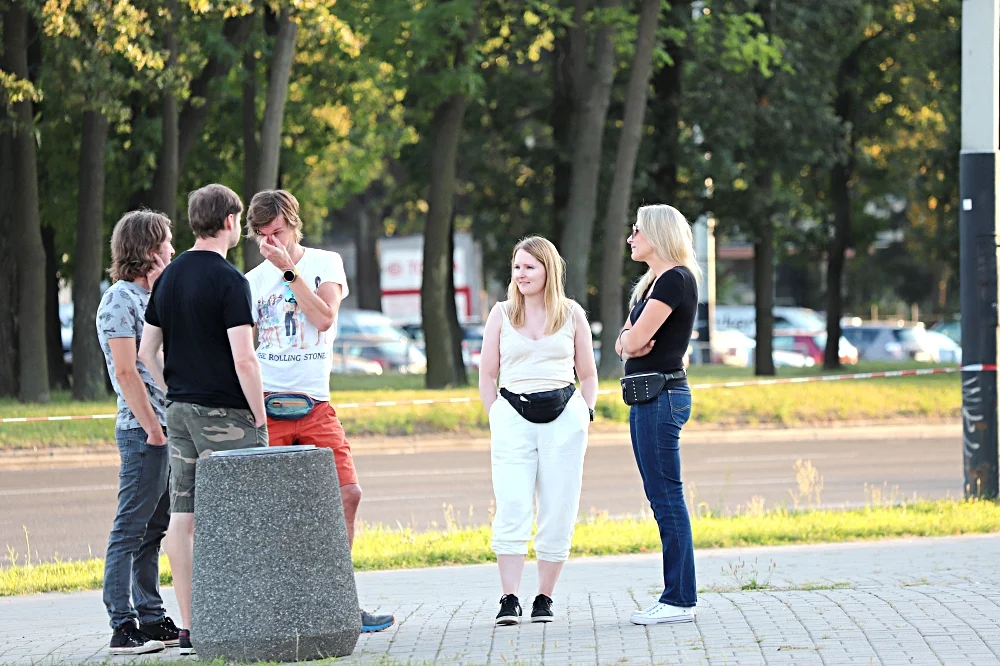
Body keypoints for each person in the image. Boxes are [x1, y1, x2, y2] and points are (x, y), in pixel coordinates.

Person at [244, 189, 395, 633]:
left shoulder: (323, 263)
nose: (272, 243)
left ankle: (338, 602)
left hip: (315, 404)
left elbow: (324, 318)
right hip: (269, 403)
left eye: (279, 233)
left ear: (294, 225)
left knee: (348, 493)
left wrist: (288, 271)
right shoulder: (251, 281)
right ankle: (273, 608)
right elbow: (245, 344)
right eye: (263, 237)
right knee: (269, 511)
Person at [139, 183, 268, 655]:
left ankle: (192, 627)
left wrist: (171, 388)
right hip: (227, 413)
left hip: (180, 411)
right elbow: (245, 359)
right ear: (231, 222)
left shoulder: (168, 276)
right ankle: (248, 615)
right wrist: (259, 415)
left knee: (183, 516)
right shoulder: (232, 280)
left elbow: (146, 351)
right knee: (248, 513)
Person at [478, 235, 598, 626]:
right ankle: (509, 597)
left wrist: (587, 412)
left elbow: (589, 373)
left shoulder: (572, 314)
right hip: (513, 413)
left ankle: (544, 598)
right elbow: (488, 372)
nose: (521, 274)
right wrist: (495, 413)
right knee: (512, 505)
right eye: (517, 267)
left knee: (558, 507)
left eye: (530, 267)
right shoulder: (501, 313)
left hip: (564, 417)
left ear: (549, 270)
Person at [96, 210, 177, 655]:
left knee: (154, 529)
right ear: (149, 250)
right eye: (166, 242)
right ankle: (122, 624)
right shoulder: (119, 301)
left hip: (166, 427)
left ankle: (151, 615)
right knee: (130, 527)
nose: (172, 248)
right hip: (143, 432)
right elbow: (127, 371)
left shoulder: (154, 296)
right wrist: (153, 428)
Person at [614, 204, 700, 626]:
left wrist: (630, 340)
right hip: (648, 396)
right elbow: (624, 343)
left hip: (661, 396)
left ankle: (680, 600)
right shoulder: (653, 283)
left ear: (657, 234)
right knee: (662, 498)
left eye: (637, 230)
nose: (631, 237)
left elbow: (632, 342)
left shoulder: (674, 279)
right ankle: (679, 596)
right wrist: (630, 339)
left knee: (667, 498)